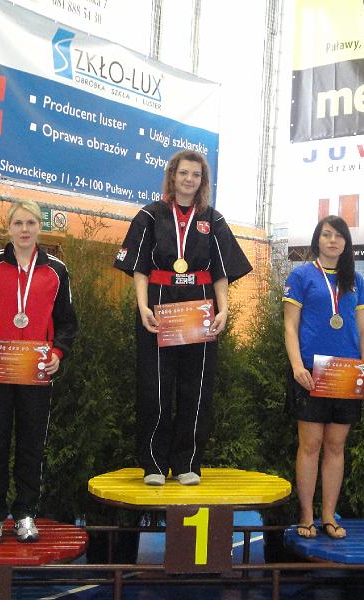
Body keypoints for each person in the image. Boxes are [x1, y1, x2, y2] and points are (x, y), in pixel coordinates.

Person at [114, 150, 252, 486]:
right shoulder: (149, 215)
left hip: (199, 310)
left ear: (203, 181)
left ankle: (187, 463)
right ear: (173, 176)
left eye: (196, 175)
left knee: (197, 388)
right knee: (155, 388)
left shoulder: (213, 220)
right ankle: (154, 465)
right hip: (157, 309)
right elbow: (140, 269)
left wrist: (224, 309)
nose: (189, 180)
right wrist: (142, 307)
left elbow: (221, 272)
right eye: (184, 173)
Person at [0, 199, 78, 543]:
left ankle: (26, 514)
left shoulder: (56, 270)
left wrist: (58, 353)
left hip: (36, 371)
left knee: (32, 445)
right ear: (8, 228)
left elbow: (67, 322)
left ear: (40, 227)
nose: (25, 229)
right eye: (18, 223)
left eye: (30, 223)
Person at [282, 215, 364, 540]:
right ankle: (306, 515)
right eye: (326, 235)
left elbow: (363, 330)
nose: (332, 240)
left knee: (336, 447)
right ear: (317, 240)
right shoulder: (301, 276)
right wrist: (297, 367)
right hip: (311, 373)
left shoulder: (356, 280)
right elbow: (290, 327)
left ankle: (328, 516)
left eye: (339, 236)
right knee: (310, 445)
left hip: (347, 374)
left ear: (346, 243)